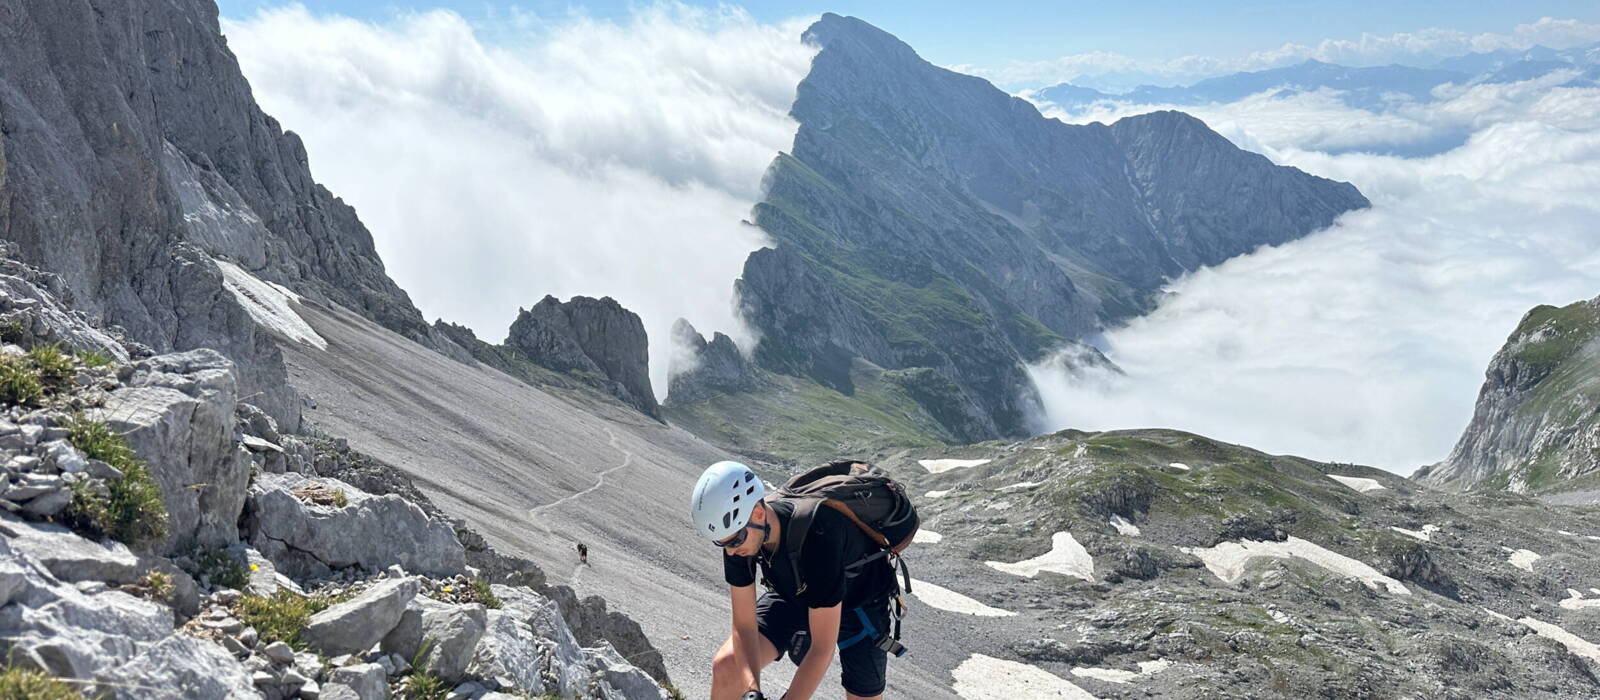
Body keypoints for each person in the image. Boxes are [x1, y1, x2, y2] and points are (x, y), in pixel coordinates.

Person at [692, 461, 897, 700]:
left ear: (758, 513)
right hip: (795, 588)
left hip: (859, 602)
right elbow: (743, 626)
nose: (730, 551)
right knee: (726, 667)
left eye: (734, 541)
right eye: (722, 543)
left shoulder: (819, 535)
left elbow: (822, 648)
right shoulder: (741, 537)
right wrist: (751, 689)